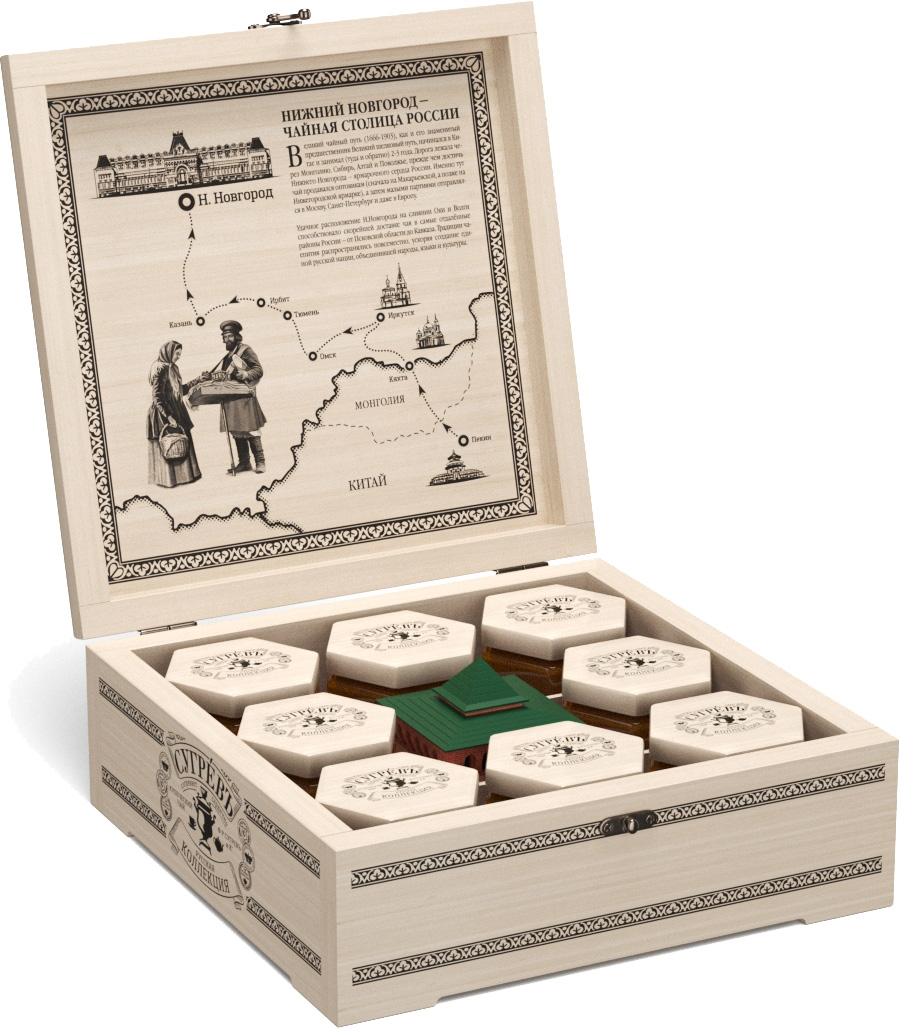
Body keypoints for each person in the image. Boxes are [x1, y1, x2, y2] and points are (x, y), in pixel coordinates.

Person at [146, 340, 206, 487]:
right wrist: (168, 416)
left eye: (180, 354)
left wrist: (198, 380)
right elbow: (157, 396)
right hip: (163, 413)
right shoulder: (160, 369)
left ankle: (185, 478)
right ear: (168, 353)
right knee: (169, 443)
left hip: (176, 410)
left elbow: (180, 390)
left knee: (182, 442)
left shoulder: (173, 368)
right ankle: (168, 481)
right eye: (176, 353)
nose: (179, 356)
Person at [211, 320, 267, 474]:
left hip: (244, 398)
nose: (226, 339)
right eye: (224, 337)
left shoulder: (245, 350)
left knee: (251, 430)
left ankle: (260, 462)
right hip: (231, 399)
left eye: (229, 336)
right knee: (236, 431)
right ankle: (244, 463)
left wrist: (247, 374)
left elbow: (259, 370)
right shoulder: (226, 357)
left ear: (236, 336)